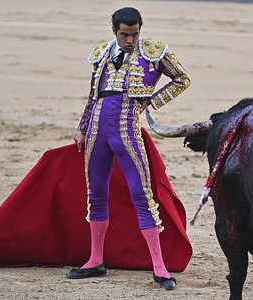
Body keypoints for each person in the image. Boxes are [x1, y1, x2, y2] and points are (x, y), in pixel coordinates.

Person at [66, 7, 190, 290]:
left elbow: (182, 79)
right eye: (125, 34)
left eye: (135, 34)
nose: (131, 40)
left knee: (141, 193)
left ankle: (159, 267)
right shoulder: (101, 54)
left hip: (126, 127)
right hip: (98, 128)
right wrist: (82, 127)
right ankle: (95, 260)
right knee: (96, 191)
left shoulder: (154, 52)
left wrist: (152, 101)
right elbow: (93, 95)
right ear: (114, 31)